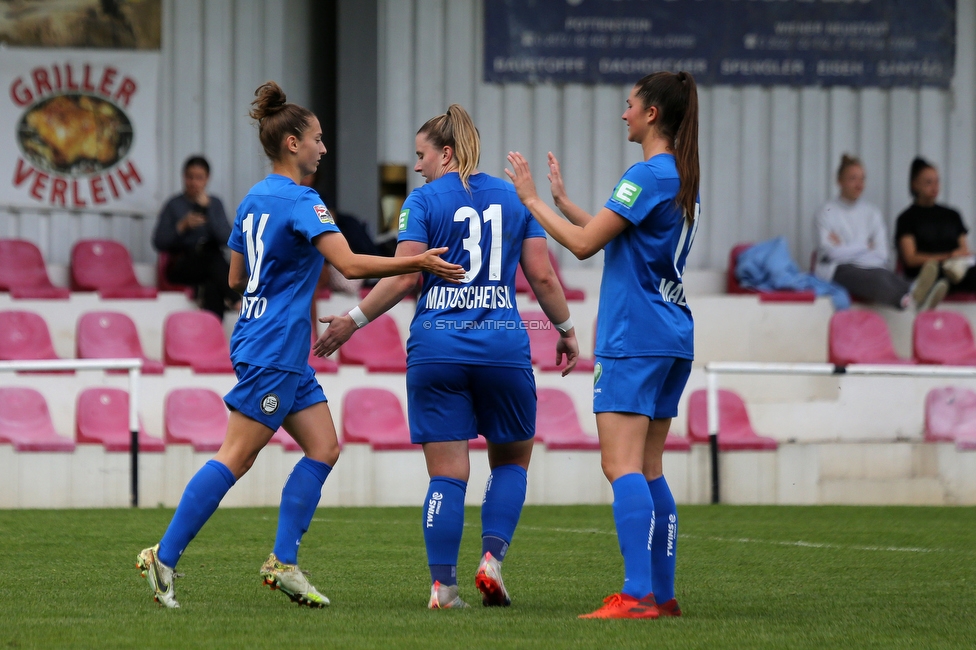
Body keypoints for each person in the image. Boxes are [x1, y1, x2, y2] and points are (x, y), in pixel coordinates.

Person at [136, 81, 463, 609]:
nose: (323, 148)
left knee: (323, 447)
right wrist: (417, 261)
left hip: (267, 341)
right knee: (236, 457)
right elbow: (352, 265)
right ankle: (164, 556)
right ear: (292, 143)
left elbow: (236, 278)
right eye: (317, 138)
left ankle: (283, 562)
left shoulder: (251, 199)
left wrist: (281, 291)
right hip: (273, 349)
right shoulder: (303, 201)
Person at [314, 104, 579, 609]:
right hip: (502, 346)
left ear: (447, 153)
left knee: (446, 475)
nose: (416, 166)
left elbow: (404, 274)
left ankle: (443, 587)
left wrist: (354, 319)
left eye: (422, 155)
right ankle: (492, 561)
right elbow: (543, 277)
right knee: (511, 463)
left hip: (437, 349)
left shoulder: (422, 202)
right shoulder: (516, 198)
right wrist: (564, 330)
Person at [505, 71, 699, 619]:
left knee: (621, 467)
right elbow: (616, 235)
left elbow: (587, 247)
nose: (624, 113)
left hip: (633, 335)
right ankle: (661, 594)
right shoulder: (680, 176)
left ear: (652, 114)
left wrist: (531, 201)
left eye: (631, 104)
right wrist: (564, 202)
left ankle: (636, 594)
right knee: (651, 467)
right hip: (671, 333)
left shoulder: (646, 173)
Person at [814, 154, 946, 310]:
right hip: (838, 270)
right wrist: (866, 247)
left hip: (872, 267)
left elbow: (882, 254)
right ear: (839, 181)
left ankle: (915, 290)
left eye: (862, 179)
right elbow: (831, 254)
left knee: (885, 275)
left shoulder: (872, 213)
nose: (859, 184)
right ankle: (909, 299)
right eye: (852, 179)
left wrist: (846, 248)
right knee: (875, 277)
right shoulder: (826, 212)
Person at [152, 155, 239, 320]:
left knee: (212, 284)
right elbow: (158, 242)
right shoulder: (173, 205)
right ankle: (236, 300)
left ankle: (212, 334)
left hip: (210, 264)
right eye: (190, 177)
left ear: (207, 179)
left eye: (199, 178)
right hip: (183, 264)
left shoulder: (215, 203)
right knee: (213, 259)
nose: (194, 182)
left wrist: (209, 212)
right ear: (184, 177)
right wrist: (182, 226)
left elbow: (227, 239)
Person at [896, 157, 976, 294]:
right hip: (925, 271)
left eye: (937, 181)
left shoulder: (952, 215)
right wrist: (947, 256)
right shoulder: (906, 218)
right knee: (934, 274)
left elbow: (964, 249)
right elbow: (910, 258)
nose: (934, 187)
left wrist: (958, 258)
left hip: (956, 270)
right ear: (915, 184)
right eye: (928, 182)